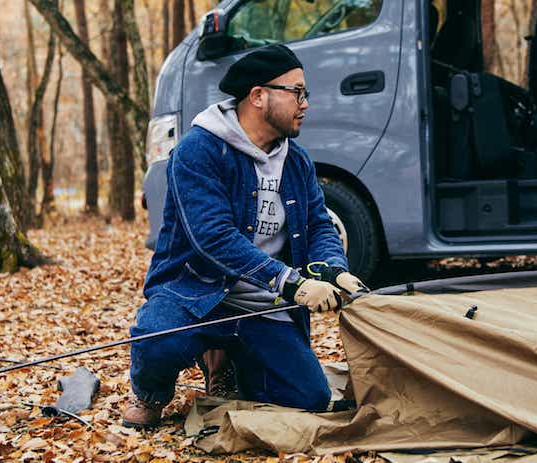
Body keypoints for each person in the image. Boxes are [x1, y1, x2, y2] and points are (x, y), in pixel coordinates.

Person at [123, 44, 369, 429]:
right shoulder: (198, 150)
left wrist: (334, 270)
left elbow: (319, 224)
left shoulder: (297, 160)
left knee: (311, 400)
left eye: (306, 94)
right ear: (258, 96)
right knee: (159, 342)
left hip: (264, 304)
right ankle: (150, 393)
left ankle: (228, 360)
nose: (305, 103)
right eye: (297, 92)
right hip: (196, 293)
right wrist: (291, 282)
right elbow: (213, 237)